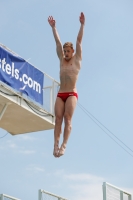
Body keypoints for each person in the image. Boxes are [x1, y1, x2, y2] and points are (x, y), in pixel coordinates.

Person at [48, 12, 85, 157]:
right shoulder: (61, 59)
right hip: (61, 93)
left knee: (67, 118)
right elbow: (57, 42)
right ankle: (55, 145)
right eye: (64, 51)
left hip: (71, 93)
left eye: (68, 51)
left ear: (73, 52)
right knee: (58, 118)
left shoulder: (77, 59)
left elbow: (79, 41)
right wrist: (53, 27)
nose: (66, 53)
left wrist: (82, 25)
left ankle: (64, 145)